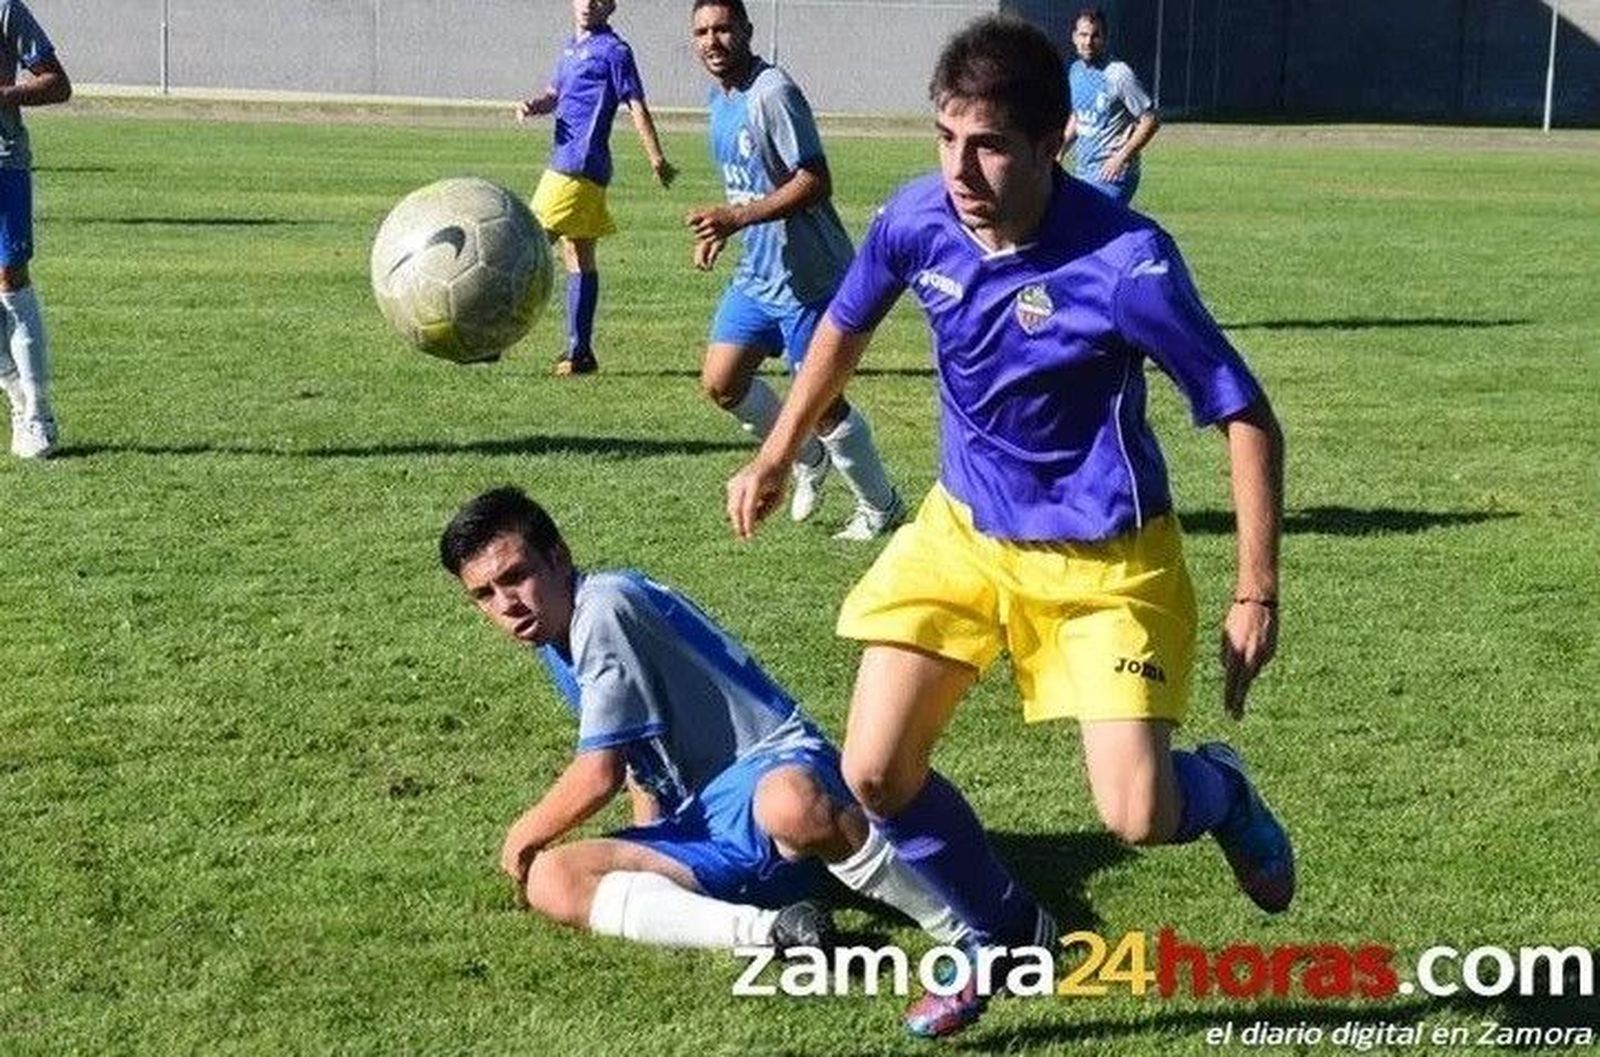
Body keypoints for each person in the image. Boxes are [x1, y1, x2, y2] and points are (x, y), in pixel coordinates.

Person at [726, 15, 1292, 1037]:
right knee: (870, 772)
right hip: (964, 532)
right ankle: (1003, 930)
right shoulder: (916, 219)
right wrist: (776, 452)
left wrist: (1256, 590)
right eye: (945, 137)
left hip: (1106, 565)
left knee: (1137, 814)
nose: (960, 168)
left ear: (1051, 143)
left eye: (987, 144)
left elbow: (1245, 414)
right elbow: (844, 329)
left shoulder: (1126, 263)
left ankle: (1225, 792)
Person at [440, 485, 968, 956]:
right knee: (554, 878)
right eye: (484, 594)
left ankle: (967, 928)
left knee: (788, 805)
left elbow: (596, 773)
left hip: (773, 778)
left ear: (558, 558)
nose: (506, 603)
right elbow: (637, 761)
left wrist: (522, 837)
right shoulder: (558, 637)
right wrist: (651, 844)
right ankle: (776, 932)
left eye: (515, 576)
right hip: (705, 829)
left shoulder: (601, 608)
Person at [685, 0, 902, 541]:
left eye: (724, 29)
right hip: (758, 276)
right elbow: (750, 187)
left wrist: (737, 217)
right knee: (721, 381)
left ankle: (882, 507)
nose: (713, 41)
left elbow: (814, 180)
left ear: (747, 31)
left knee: (824, 404)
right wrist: (725, 230)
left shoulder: (772, 93)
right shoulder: (721, 98)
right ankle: (806, 457)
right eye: (702, 32)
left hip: (809, 279)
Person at [517, 0, 675, 376]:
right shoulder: (570, 48)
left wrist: (656, 156)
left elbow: (636, 103)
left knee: (528, 251)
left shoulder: (615, 52)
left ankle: (490, 335)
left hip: (578, 167)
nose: (588, 3)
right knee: (578, 255)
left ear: (611, 7)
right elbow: (555, 95)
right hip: (567, 163)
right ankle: (580, 353)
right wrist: (533, 105)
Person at [0, 0, 70, 459]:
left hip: (2, 161)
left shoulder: (6, 10)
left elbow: (57, 84)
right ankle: (17, 399)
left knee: (9, 280)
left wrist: (3, 97)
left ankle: (40, 414)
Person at [1063, 7, 1158, 204]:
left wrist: (1121, 158)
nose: (1088, 42)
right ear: (1074, 37)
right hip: (1084, 172)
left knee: (1093, 228)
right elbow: (1079, 116)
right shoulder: (1076, 71)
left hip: (1113, 175)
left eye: (1095, 36)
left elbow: (1151, 120)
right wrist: (1061, 147)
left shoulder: (1118, 74)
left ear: (1105, 39)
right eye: (1083, 35)